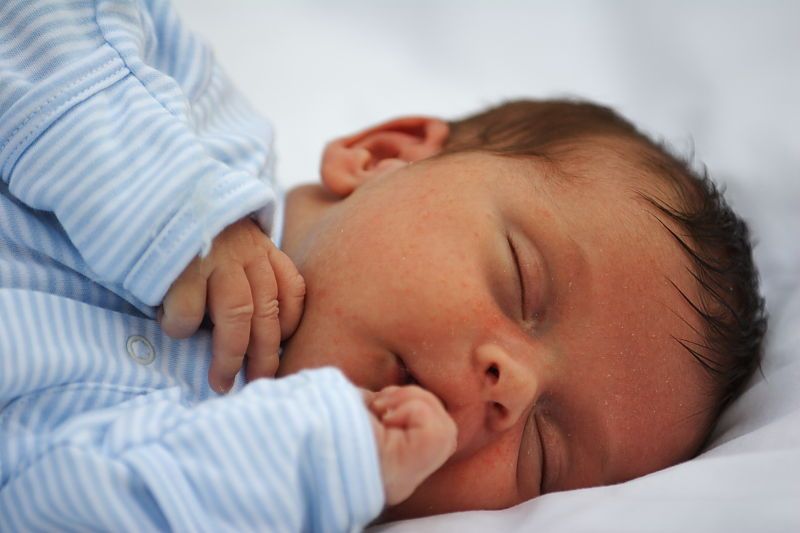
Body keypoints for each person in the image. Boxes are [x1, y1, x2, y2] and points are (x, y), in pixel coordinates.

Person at [0, 0, 767, 529]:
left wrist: (318, 458)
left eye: (543, 451)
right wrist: (175, 205)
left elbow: (54, 505)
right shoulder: (195, 129)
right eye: (521, 280)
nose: (514, 387)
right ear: (384, 156)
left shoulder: (238, 487)